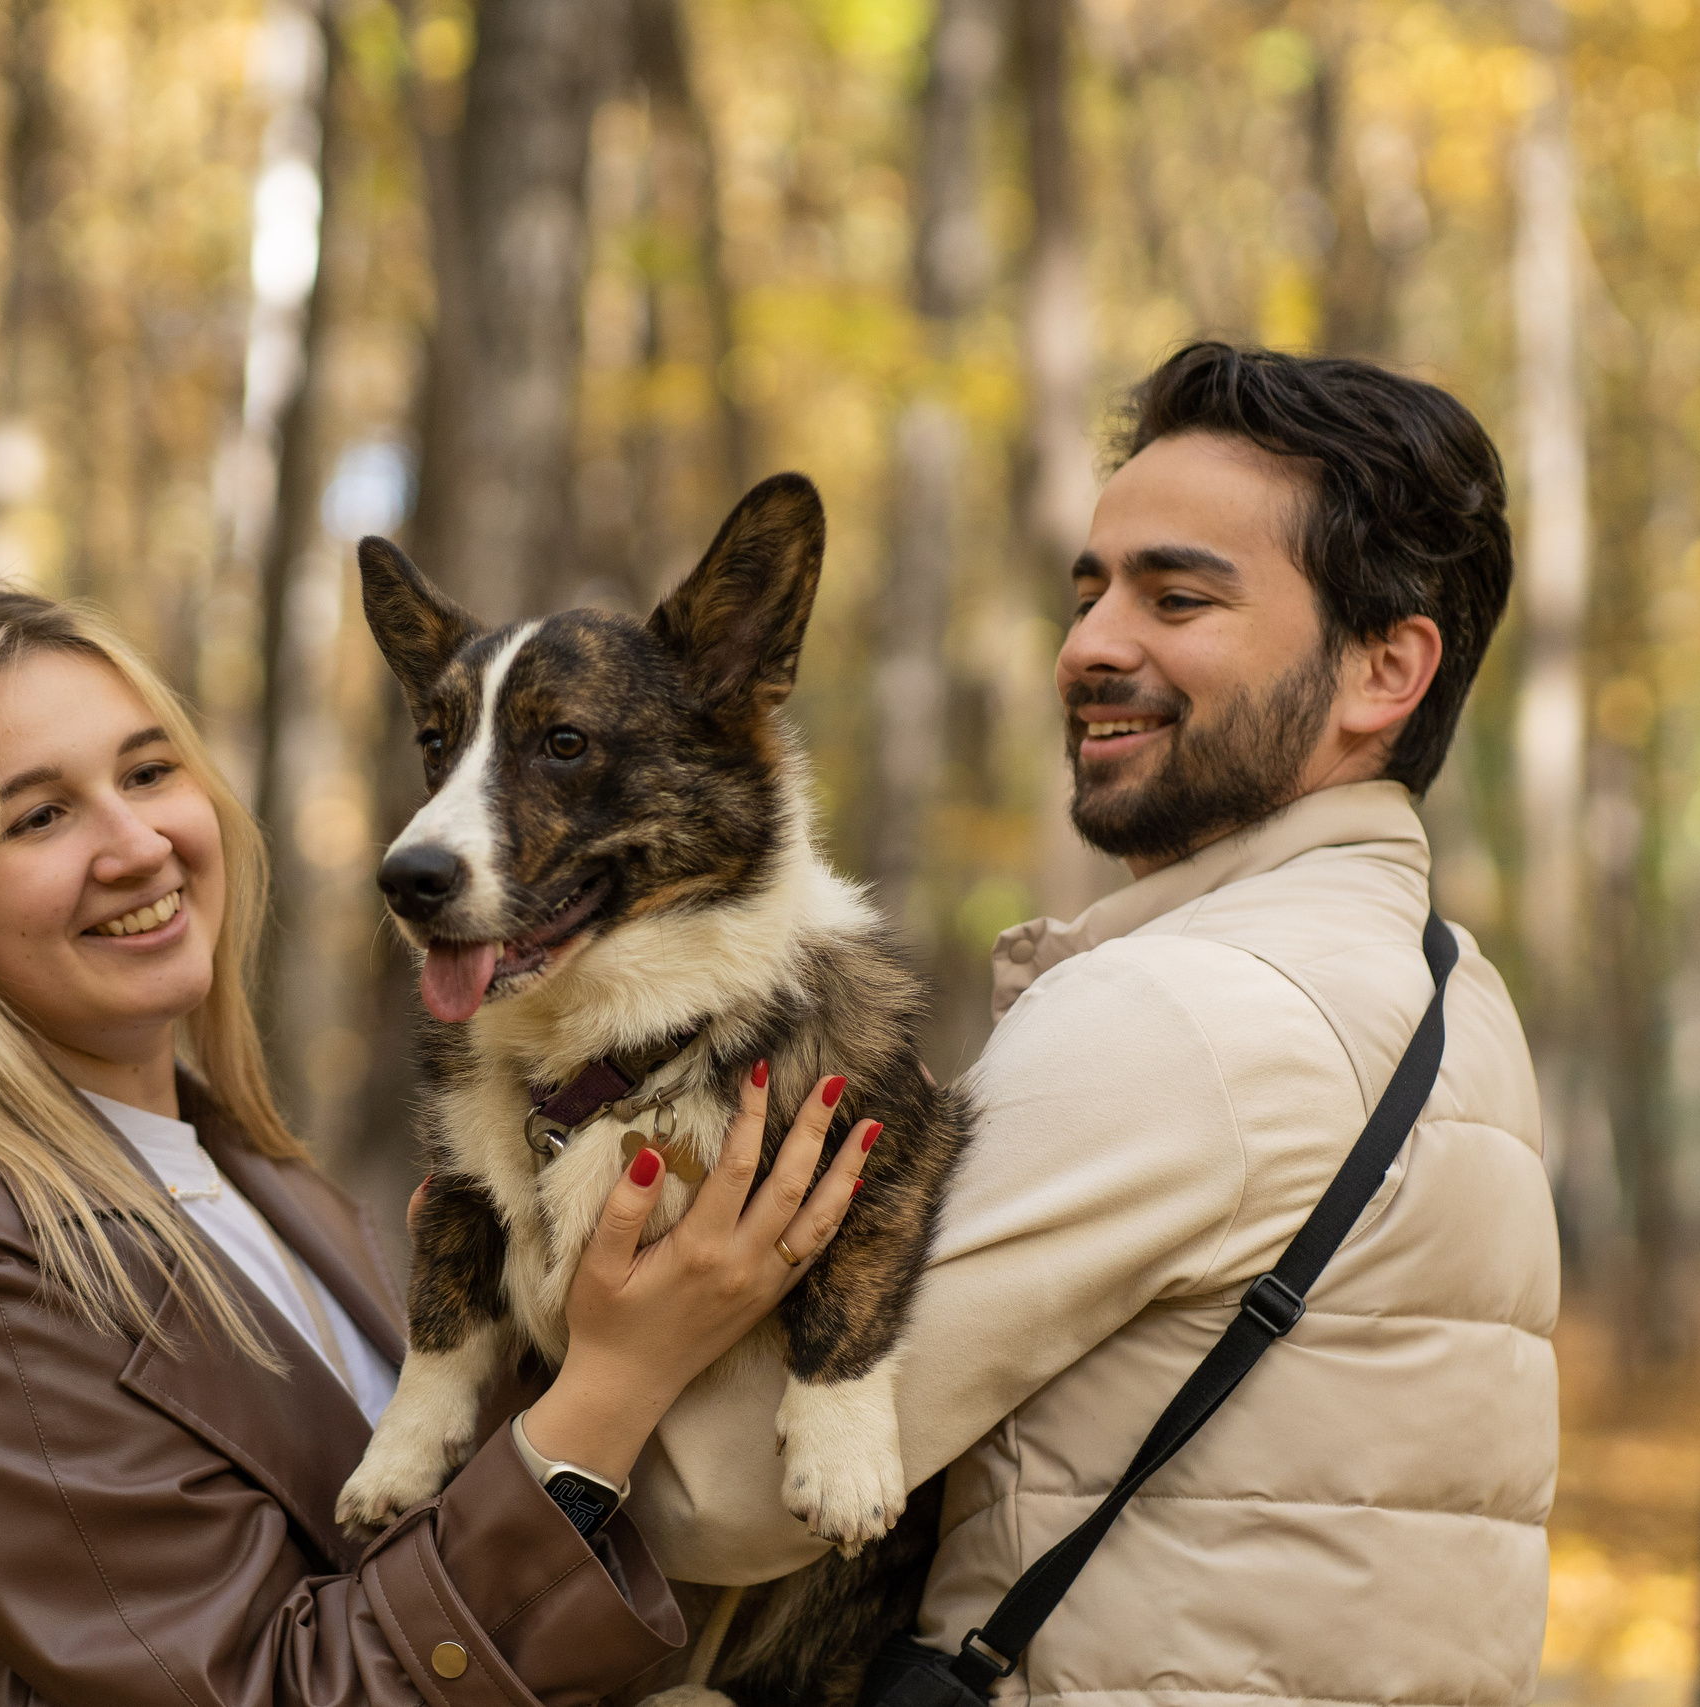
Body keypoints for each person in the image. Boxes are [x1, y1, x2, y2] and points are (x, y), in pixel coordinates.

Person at [634, 343, 1556, 1705]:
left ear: (1384, 671)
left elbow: (722, 1494)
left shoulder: (1186, 1011)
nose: (1089, 648)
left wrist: (603, 1355)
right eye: (1089, 592)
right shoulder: (1443, 988)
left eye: (1176, 595)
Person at [0, 582, 874, 1706]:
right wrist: (612, 1385)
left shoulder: (253, 1179)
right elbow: (275, 1687)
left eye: (150, 772)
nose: (136, 844)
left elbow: (400, 1564)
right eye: (38, 817)